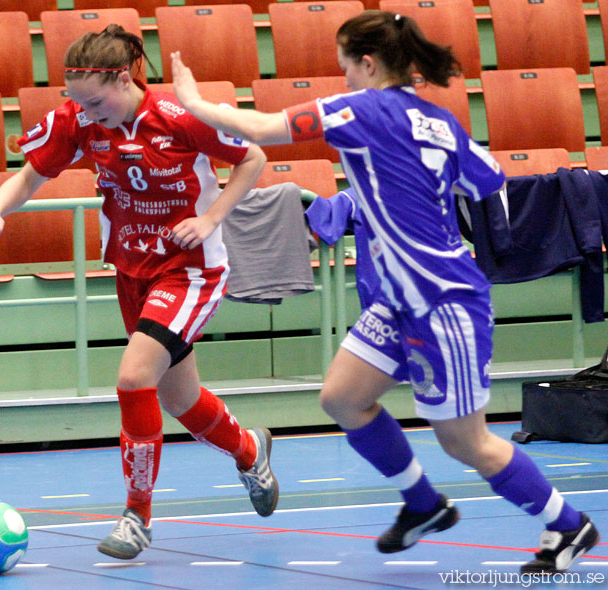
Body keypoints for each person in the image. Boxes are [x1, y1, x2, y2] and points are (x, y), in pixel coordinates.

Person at [170, 11, 600, 574]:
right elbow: (489, 181)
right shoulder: (442, 122)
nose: (342, 75)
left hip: (442, 304)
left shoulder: (361, 110)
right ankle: (422, 505)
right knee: (343, 396)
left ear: (367, 63)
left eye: (345, 64)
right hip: (399, 302)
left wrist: (190, 98)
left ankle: (570, 526)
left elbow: (258, 128)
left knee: (466, 443)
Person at [0, 24, 278, 560]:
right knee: (178, 399)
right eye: (78, 103)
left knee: (133, 377)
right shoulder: (77, 120)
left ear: (123, 78)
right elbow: (30, 176)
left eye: (95, 100)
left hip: (189, 269)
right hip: (131, 272)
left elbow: (252, 158)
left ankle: (137, 515)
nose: (87, 112)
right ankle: (251, 451)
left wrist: (210, 219)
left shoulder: (179, 118)